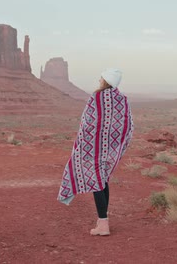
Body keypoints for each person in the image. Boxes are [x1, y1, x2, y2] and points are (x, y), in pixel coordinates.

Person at [57, 68, 134, 236]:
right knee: (102, 180)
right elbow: (128, 125)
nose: (99, 80)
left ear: (106, 81)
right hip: (111, 150)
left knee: (96, 182)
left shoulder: (97, 97)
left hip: (93, 148)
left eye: (101, 78)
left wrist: (83, 143)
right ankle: (102, 221)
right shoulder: (123, 100)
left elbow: (87, 122)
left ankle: (103, 224)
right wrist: (118, 144)